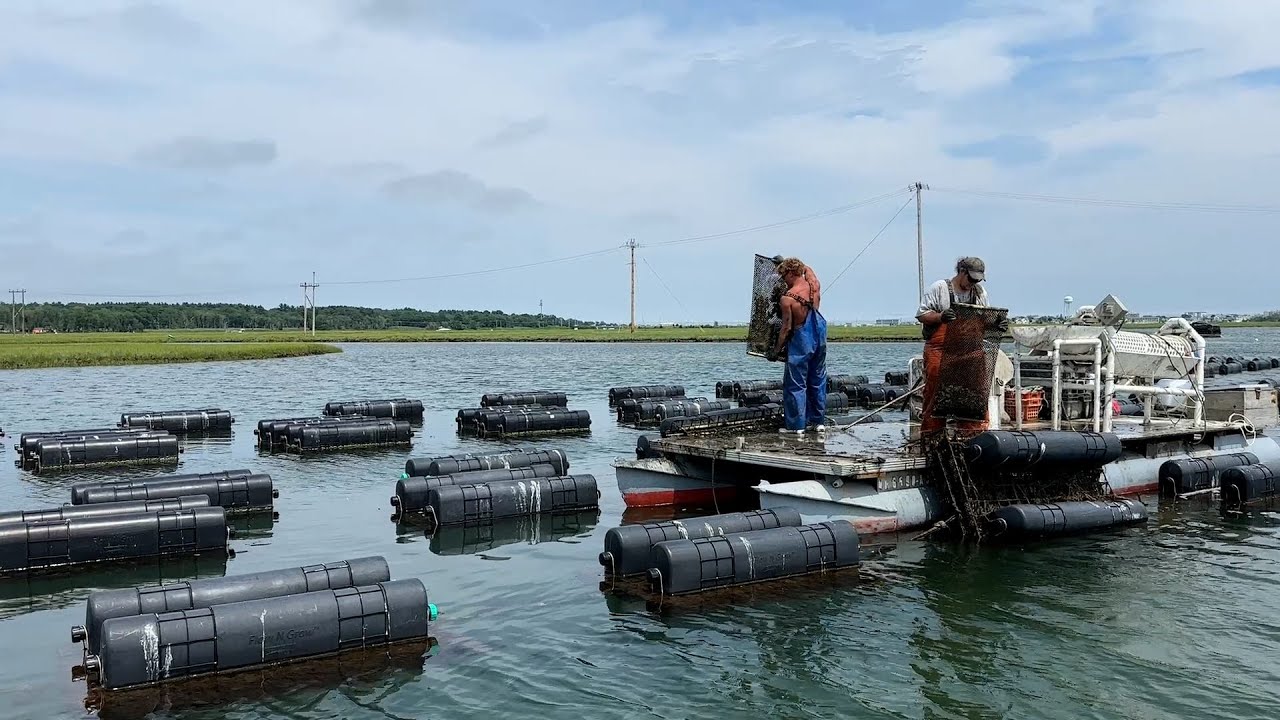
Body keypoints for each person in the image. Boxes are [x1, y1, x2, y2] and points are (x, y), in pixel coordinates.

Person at [915, 256, 1000, 435]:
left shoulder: (979, 293)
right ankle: (932, 438)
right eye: (971, 278)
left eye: (978, 279)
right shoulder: (940, 288)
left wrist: (995, 324)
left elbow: (983, 321)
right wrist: (940, 317)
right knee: (935, 396)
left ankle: (972, 437)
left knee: (973, 397)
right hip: (940, 349)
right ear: (962, 272)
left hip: (969, 351)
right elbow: (922, 315)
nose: (974, 283)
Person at [774, 257, 827, 434]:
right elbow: (808, 269)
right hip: (819, 341)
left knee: (795, 384)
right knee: (818, 380)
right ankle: (818, 422)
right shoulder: (814, 286)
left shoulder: (787, 299)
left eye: (784, 275)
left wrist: (776, 350)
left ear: (790, 273)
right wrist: (791, 262)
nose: (783, 280)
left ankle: (796, 426)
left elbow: (786, 328)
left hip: (801, 342)